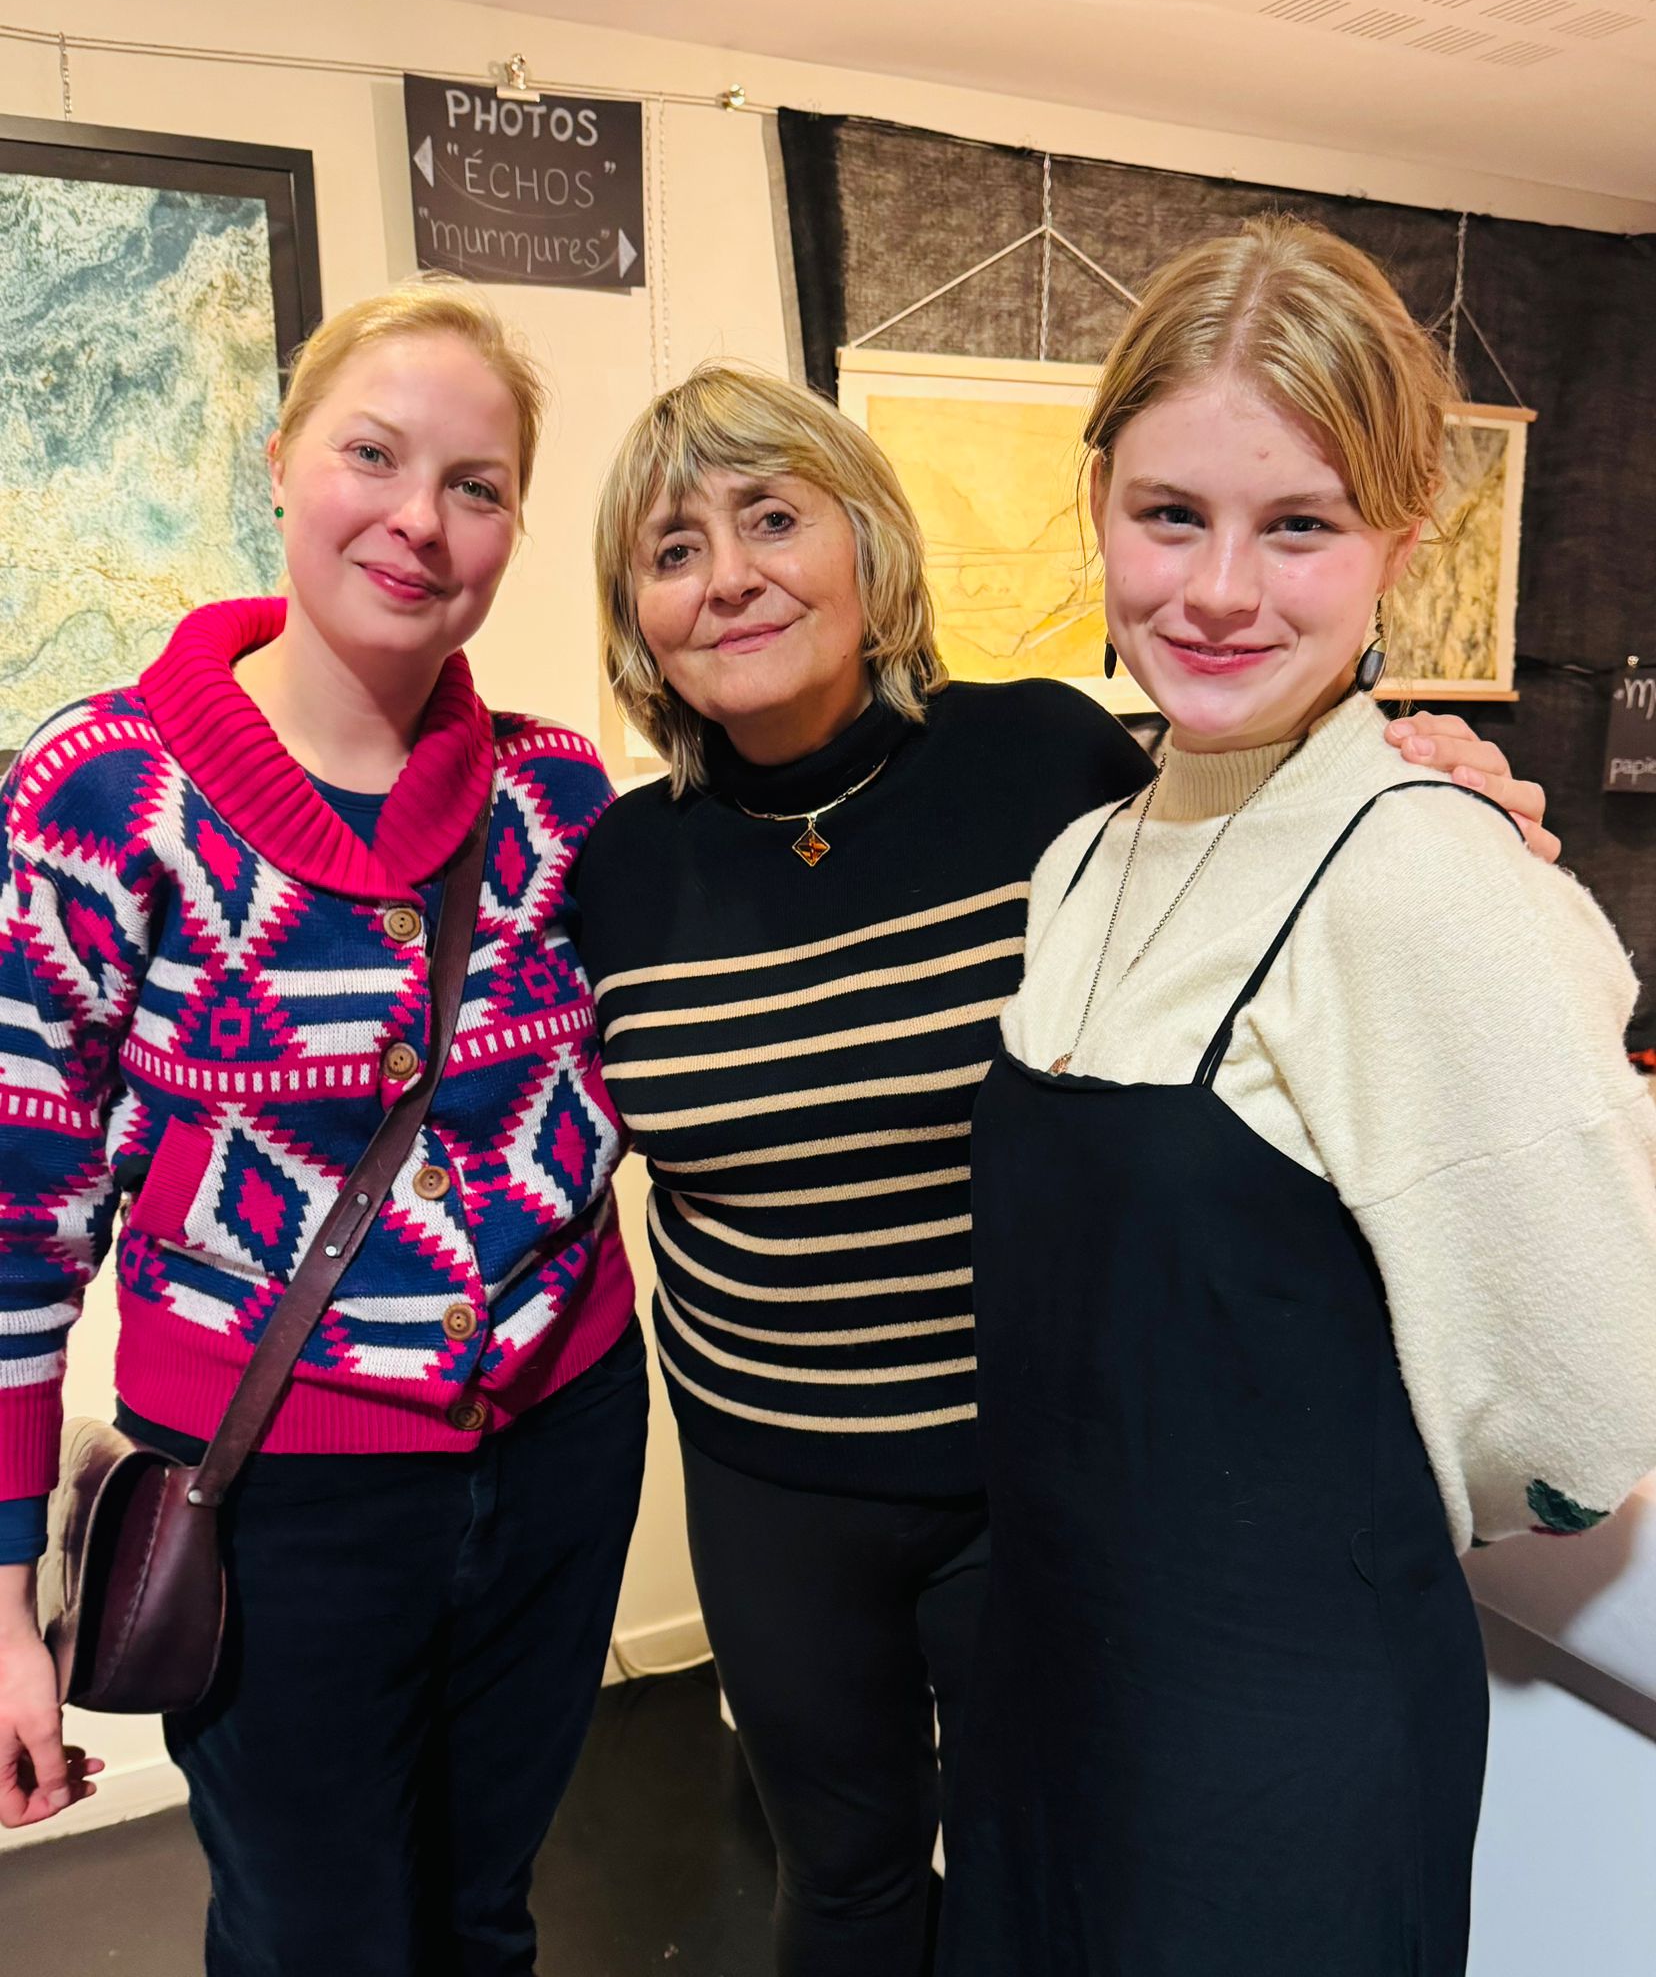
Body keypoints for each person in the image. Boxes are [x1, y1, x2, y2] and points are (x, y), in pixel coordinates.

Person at [576, 360, 1557, 1976]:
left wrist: (1439, 790)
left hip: (1032, 1470)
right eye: (674, 550)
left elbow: (1269, 865)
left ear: (867, 542)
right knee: (842, 1879)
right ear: (638, 612)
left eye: (773, 519)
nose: (730, 576)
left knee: (1052, 1868)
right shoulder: (618, 868)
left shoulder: (1041, 762)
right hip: (769, 1485)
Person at [937, 218, 1656, 1977]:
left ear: (1402, 537)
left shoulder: (1432, 875)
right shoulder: (1084, 861)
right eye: (1172, 513)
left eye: (1301, 526)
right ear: (1098, 500)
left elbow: (1579, 1409)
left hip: (1277, 1749)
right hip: (1052, 1686)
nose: (1219, 590)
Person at [0, 280, 646, 1976]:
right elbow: (17, 1217)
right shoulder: (104, 793)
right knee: (316, 1941)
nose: (420, 519)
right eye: (374, 454)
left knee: (487, 1912)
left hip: (564, 1440)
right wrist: (1, 1596)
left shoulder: (555, 796)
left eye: (477, 485)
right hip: (276, 1489)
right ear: (281, 459)